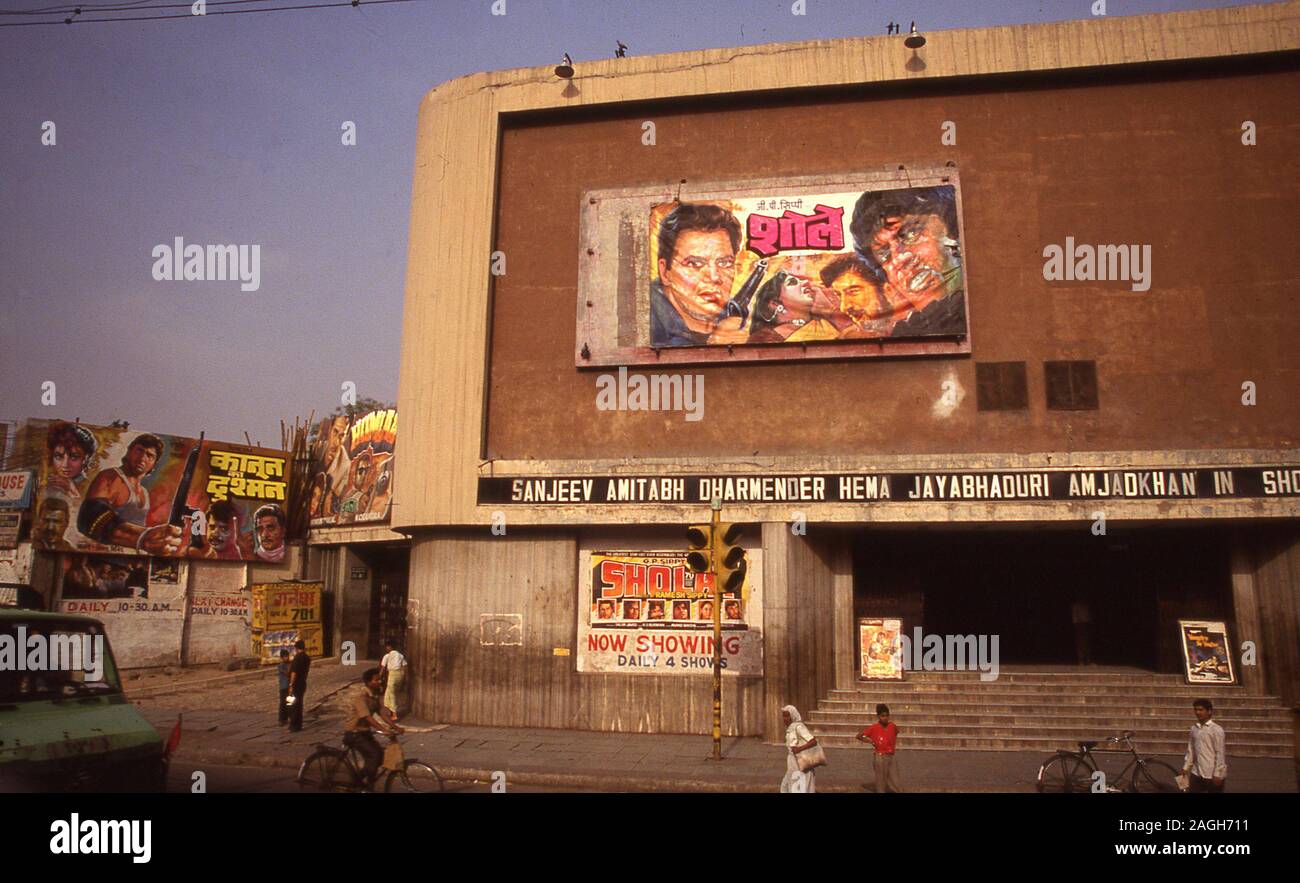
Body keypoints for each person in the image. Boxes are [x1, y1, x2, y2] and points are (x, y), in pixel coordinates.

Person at [849, 186, 966, 337]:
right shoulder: (904, 339)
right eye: (884, 255)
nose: (900, 259)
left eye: (912, 234)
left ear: (954, 234)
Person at [650, 203, 748, 346]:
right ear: (665, 272)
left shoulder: (739, 314)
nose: (714, 277)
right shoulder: (644, 324)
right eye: (694, 264)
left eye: (724, 263)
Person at [77, 433, 183, 555]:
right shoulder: (112, 477)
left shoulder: (144, 492)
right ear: (128, 452)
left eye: (149, 455)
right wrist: (142, 537)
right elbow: (90, 517)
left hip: (131, 560)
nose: (142, 458)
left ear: (154, 463)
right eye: (139, 451)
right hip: (102, 559)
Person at [345, 668, 404, 786]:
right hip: (354, 733)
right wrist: (384, 730)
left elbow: (382, 713)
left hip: (364, 733)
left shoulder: (374, 696)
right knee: (374, 756)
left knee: (379, 755)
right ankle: (357, 782)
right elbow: (368, 718)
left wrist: (395, 727)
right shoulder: (361, 697)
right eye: (376, 680)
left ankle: (365, 783)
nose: (380, 682)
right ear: (368, 682)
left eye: (380, 679)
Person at [1182, 698, 1227, 792]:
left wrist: (1217, 774)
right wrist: (1185, 768)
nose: (1198, 712)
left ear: (1209, 711)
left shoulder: (1217, 730)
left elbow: (1220, 753)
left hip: (1211, 773)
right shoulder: (1194, 729)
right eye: (1196, 710)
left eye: (1201, 710)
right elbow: (1191, 750)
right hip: (1196, 772)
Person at [857, 703, 904, 793]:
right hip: (880, 756)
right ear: (878, 716)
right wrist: (870, 741)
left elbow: (896, 732)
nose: (885, 718)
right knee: (880, 782)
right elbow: (859, 736)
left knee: (896, 780)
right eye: (883, 716)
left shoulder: (892, 726)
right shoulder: (874, 728)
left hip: (891, 756)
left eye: (887, 715)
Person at [45, 421, 96, 501]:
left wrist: (73, 494)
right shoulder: (48, 485)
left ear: (86, 458)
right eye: (59, 457)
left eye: (74, 457)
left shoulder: (92, 488)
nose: (65, 465)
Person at [780, 705, 819, 793]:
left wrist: (799, 749)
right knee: (785, 786)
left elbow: (813, 741)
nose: (785, 718)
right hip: (793, 763)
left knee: (798, 788)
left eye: (787, 716)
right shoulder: (791, 728)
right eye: (783, 716)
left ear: (793, 716)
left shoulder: (799, 727)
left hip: (800, 763)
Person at [286, 639, 311, 732]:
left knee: (292, 705)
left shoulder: (297, 658)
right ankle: (299, 724)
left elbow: (294, 673)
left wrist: (291, 685)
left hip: (295, 685)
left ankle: (293, 726)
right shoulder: (307, 658)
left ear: (296, 648)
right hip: (302, 683)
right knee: (299, 704)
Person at [379, 641, 407, 720]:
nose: (386, 648)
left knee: (391, 694)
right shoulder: (400, 655)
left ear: (389, 647)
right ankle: (391, 712)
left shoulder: (387, 656)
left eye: (387, 647)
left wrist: (379, 676)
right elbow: (405, 666)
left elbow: (383, 667)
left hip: (392, 674)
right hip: (400, 674)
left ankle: (394, 714)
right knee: (392, 693)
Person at [1071, 597, 1093, 665]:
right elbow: (1074, 615)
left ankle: (1088, 660)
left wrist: (1090, 622)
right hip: (1080, 624)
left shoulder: (1086, 605)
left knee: (1087, 643)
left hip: (1086, 624)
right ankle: (1081, 661)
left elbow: (1088, 614)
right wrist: (1076, 624)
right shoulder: (1076, 605)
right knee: (1080, 643)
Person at [276, 649, 291, 726]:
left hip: (290, 686)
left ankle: (288, 717)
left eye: (287, 656)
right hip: (283, 687)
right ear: (282, 657)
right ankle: (282, 719)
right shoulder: (280, 666)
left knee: (290, 702)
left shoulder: (290, 664)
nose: (287, 658)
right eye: (285, 656)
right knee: (283, 703)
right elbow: (287, 673)